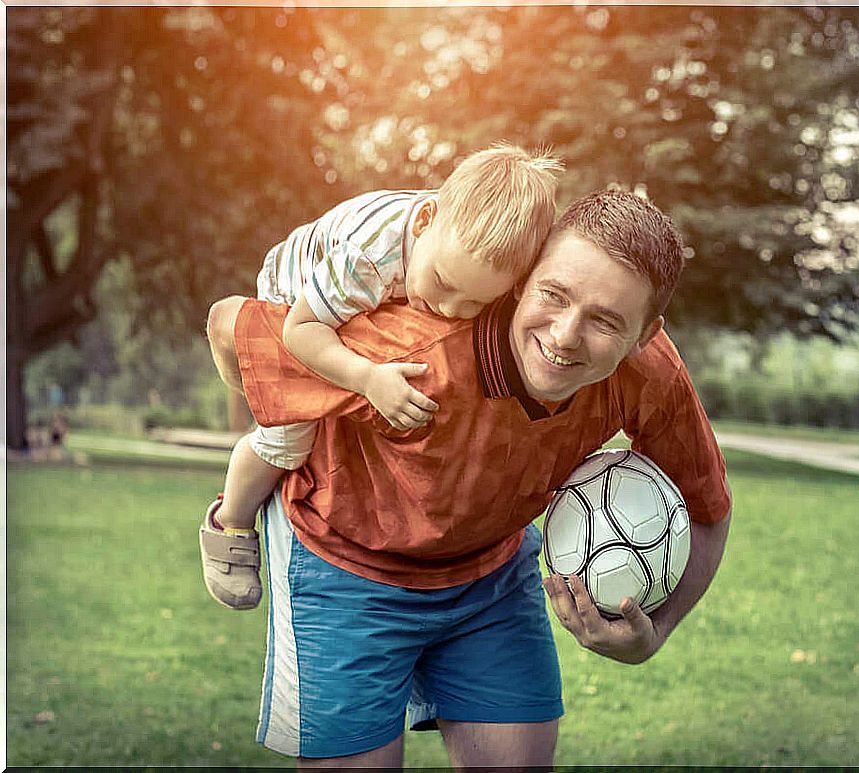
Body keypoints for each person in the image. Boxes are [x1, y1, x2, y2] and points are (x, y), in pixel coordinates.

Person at [205, 189, 732, 769]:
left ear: (646, 334)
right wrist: (285, 413)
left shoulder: (649, 374)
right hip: (346, 568)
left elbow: (707, 507)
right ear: (522, 281)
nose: (563, 335)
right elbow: (230, 324)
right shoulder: (412, 344)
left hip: (490, 576)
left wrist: (653, 631)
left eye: (605, 321)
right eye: (553, 294)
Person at [200, 144, 563, 610]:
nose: (450, 309)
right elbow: (301, 330)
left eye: (474, 303)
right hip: (293, 297)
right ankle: (229, 520)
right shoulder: (370, 259)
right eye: (444, 283)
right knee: (286, 443)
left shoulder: (457, 245)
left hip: (349, 295)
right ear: (423, 221)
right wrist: (369, 378)